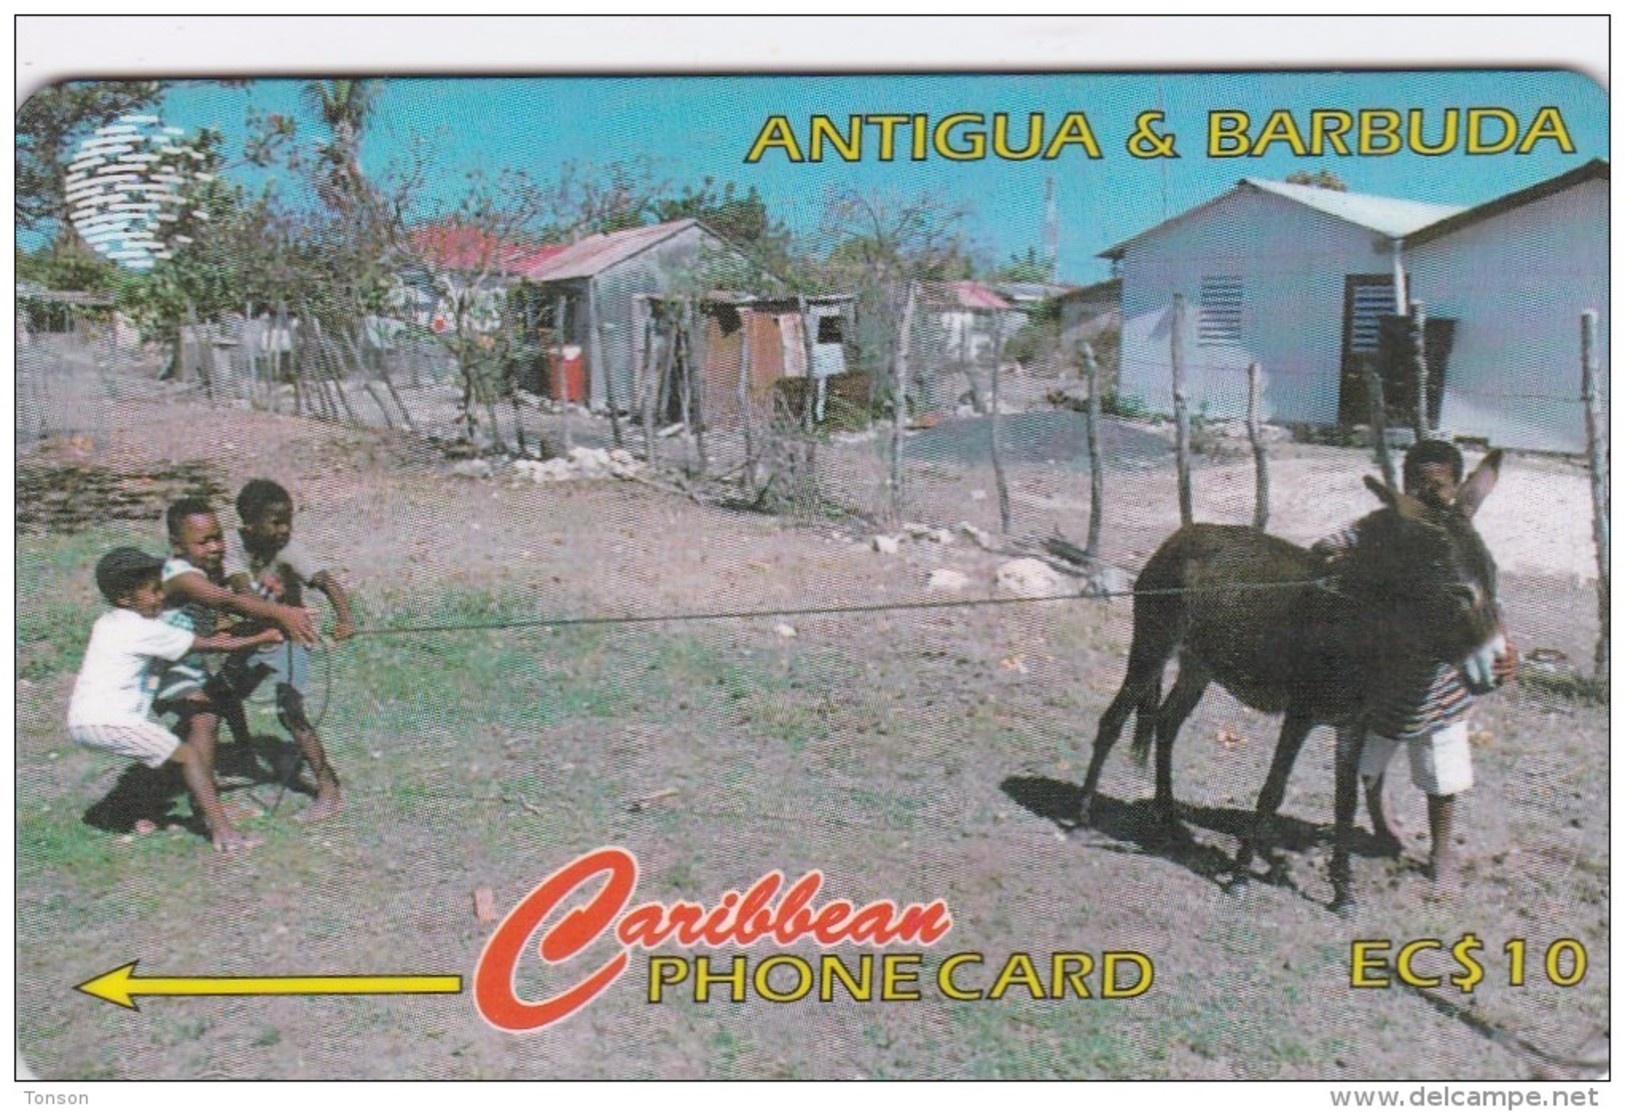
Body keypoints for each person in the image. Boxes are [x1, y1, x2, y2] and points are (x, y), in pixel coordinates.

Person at [1316, 440, 1514, 890]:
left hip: (1440, 682)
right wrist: (1332, 552)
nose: (1426, 494)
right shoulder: (1384, 524)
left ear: (1456, 488)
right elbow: (1338, 540)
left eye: (1438, 486)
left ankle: (1441, 854)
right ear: (1403, 487)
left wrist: (1506, 644)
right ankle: (1381, 824)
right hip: (1383, 676)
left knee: (1442, 773)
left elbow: (1485, 596)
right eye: (1416, 484)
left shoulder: (1463, 536)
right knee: (1368, 762)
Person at [68, 547, 286, 852]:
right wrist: (262, 638)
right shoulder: (141, 628)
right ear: (124, 598)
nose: (161, 597)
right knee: (188, 755)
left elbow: (202, 639)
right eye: (154, 591)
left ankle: (128, 813)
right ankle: (225, 834)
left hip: (83, 720)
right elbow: (208, 645)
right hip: (110, 721)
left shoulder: (108, 623)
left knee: (158, 757)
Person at [156, 499, 323, 828]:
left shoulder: (203, 571)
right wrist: (282, 614)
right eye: (204, 541)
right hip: (161, 671)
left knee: (203, 717)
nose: (216, 547)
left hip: (188, 666)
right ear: (177, 545)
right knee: (204, 721)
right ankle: (209, 814)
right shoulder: (179, 576)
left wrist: (268, 629)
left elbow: (218, 622)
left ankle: (179, 797)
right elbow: (228, 601)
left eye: (218, 537)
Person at [224, 479, 351, 822]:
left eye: (288, 521)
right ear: (249, 525)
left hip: (291, 637)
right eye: (276, 523)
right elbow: (241, 595)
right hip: (253, 637)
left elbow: (326, 582)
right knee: (224, 694)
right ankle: (245, 754)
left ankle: (329, 788)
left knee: (290, 712)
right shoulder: (234, 548)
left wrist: (345, 617)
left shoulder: (289, 550)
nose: (285, 530)